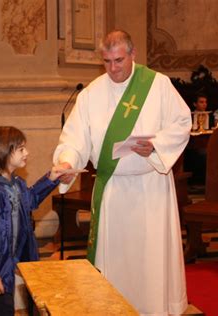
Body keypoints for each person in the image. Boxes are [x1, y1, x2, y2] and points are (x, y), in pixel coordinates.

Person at [53, 30, 191, 315]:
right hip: (113, 191)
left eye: (119, 60)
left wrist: (155, 146)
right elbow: (75, 138)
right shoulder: (92, 94)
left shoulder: (157, 86)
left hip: (151, 188)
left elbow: (181, 122)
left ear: (133, 55)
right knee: (116, 262)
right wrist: (66, 163)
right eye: (107, 62)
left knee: (149, 261)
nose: (113, 69)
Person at [0, 126, 62, 316]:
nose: (27, 153)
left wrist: (51, 178)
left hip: (8, 265)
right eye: (20, 149)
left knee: (1, 310)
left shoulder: (15, 183)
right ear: (4, 153)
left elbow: (30, 200)